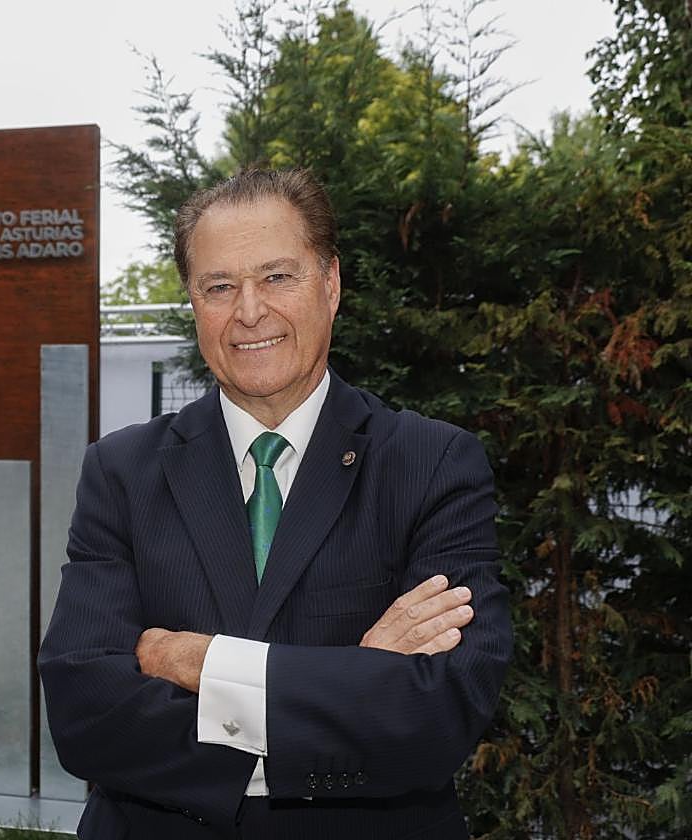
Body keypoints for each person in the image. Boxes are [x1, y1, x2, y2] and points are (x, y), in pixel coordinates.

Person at [38, 168, 512, 839]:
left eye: (278, 277)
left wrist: (203, 666)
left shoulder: (429, 464)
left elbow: (440, 714)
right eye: (220, 286)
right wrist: (354, 680)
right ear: (194, 304)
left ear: (332, 284)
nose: (249, 311)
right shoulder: (122, 471)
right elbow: (85, 715)